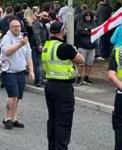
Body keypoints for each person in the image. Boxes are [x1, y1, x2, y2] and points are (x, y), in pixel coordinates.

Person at [42, 21, 84, 150]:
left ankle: (52, 147)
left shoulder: (47, 46)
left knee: (53, 120)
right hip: (62, 87)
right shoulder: (64, 47)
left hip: (49, 84)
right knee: (64, 121)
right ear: (62, 31)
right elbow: (81, 60)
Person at [0, 19, 34, 130]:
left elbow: (28, 56)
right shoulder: (6, 38)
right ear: (10, 28)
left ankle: (14, 119)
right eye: (14, 26)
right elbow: (8, 51)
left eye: (18, 26)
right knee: (12, 96)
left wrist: (31, 71)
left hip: (20, 71)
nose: (17, 28)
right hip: (9, 72)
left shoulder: (24, 39)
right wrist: (20, 44)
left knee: (18, 97)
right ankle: (7, 118)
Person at [75, 10, 97, 85]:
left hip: (92, 46)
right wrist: (89, 31)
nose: (88, 17)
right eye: (86, 15)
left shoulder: (93, 23)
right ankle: (79, 77)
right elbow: (79, 31)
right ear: (84, 16)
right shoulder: (80, 23)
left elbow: (95, 31)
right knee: (81, 63)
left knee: (89, 63)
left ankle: (86, 77)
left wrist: (87, 30)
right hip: (82, 45)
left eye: (89, 15)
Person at [32, 11, 49, 87]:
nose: (46, 17)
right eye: (44, 15)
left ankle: (38, 80)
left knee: (39, 64)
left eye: (47, 16)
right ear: (41, 16)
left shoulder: (42, 23)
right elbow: (36, 34)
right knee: (39, 64)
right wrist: (39, 44)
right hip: (38, 46)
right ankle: (39, 80)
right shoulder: (37, 23)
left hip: (42, 45)